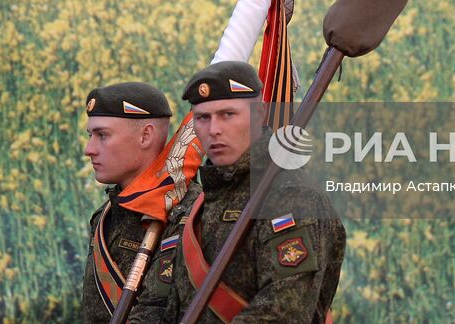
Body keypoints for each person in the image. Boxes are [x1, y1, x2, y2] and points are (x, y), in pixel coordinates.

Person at [150, 61, 345, 323]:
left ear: (259, 114)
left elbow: (283, 312)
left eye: (227, 115)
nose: (214, 129)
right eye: (203, 118)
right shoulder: (203, 200)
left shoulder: (290, 195)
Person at [82, 81, 180, 321]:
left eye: (102, 135)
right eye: (90, 135)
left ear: (145, 136)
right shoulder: (106, 215)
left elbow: (161, 311)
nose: (89, 149)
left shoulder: (182, 213)